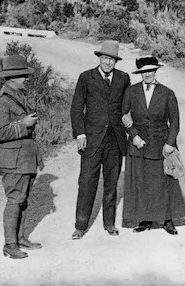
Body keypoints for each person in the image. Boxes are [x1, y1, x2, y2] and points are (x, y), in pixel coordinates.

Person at [121, 55, 185, 235]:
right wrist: (133, 136)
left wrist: (170, 143)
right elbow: (124, 117)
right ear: (140, 73)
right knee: (142, 182)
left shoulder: (168, 93)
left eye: (151, 71)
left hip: (161, 145)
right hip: (138, 146)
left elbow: (174, 121)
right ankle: (145, 219)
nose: (147, 74)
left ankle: (167, 220)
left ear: (156, 71)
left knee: (164, 183)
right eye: (144, 72)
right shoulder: (131, 92)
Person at [70, 40, 131, 239]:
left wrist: (127, 115)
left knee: (111, 183)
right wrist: (80, 134)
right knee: (87, 182)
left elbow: (127, 105)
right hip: (91, 140)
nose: (107, 63)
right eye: (105, 58)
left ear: (116, 61)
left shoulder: (123, 78)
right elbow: (76, 108)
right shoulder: (86, 77)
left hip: (115, 139)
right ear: (99, 58)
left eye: (111, 59)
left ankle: (109, 223)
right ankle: (80, 226)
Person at [0, 54, 43, 260]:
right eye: (23, 76)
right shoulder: (1, 102)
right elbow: (0, 133)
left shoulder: (17, 96)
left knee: (23, 200)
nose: (26, 79)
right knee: (15, 200)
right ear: (12, 78)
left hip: (24, 159)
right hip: (14, 161)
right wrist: (24, 125)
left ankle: (19, 238)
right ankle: (10, 245)